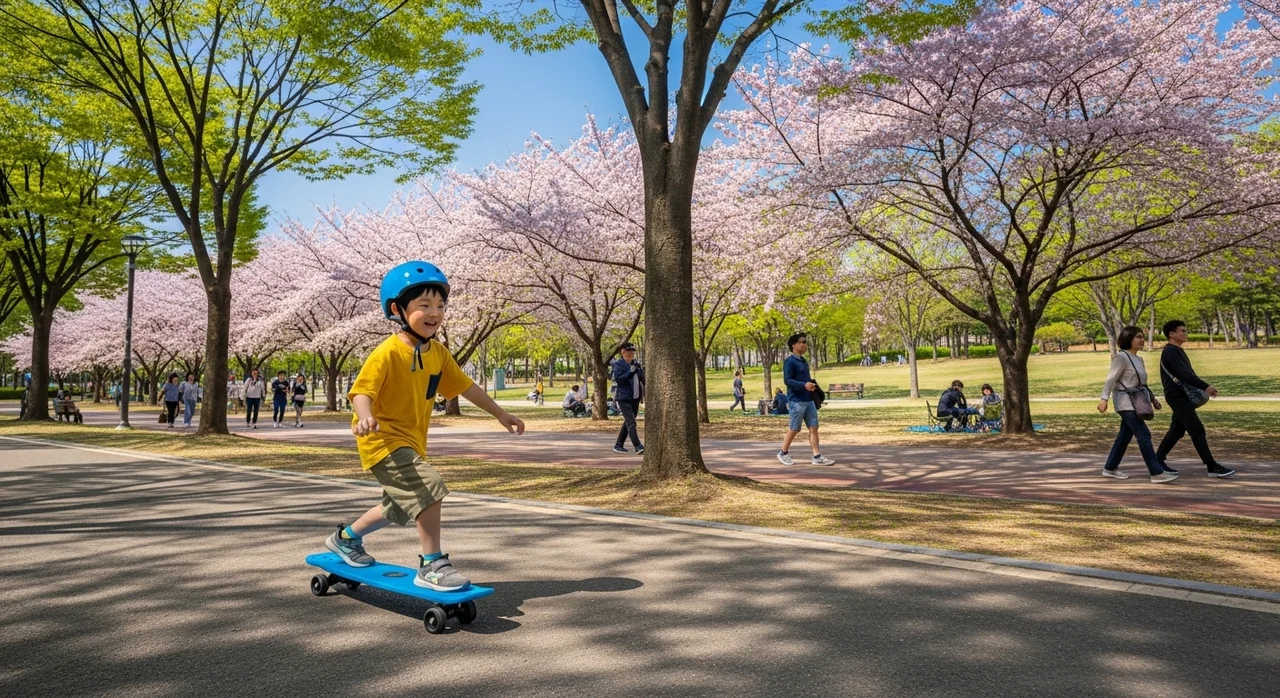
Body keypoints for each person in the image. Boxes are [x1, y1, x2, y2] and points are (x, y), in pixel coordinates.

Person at [323, 260, 524, 592]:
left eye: (440, 305)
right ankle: (432, 565)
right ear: (397, 309)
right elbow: (361, 391)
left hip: (411, 442)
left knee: (398, 505)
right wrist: (366, 415)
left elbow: (465, 387)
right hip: (382, 441)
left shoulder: (438, 353)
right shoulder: (388, 352)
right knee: (429, 488)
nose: (435, 312)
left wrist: (500, 413)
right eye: (424, 305)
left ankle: (344, 539)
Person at [1099, 326, 1177, 483]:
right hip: (1125, 402)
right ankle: (1156, 473)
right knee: (1144, 434)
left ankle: (1110, 468)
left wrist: (1153, 399)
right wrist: (1104, 399)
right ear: (1129, 339)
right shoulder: (1121, 357)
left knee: (1124, 437)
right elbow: (1111, 379)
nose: (1142, 340)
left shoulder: (1139, 359)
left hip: (1138, 400)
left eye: (1142, 337)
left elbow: (1142, 383)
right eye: (1138, 337)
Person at [1156, 320, 1234, 478]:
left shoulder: (1177, 350)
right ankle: (1211, 466)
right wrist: (1205, 386)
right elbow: (1183, 374)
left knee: (1177, 430)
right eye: (1182, 331)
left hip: (1182, 396)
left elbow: (1187, 373)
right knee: (1197, 430)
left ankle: (1157, 460)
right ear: (1171, 334)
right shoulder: (1170, 351)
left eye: (1186, 331)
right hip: (1177, 396)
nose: (1186, 333)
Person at [777, 333, 835, 466]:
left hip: (809, 400)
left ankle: (817, 456)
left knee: (813, 427)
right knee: (794, 428)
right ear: (794, 345)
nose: (804, 344)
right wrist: (803, 385)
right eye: (801, 342)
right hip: (796, 401)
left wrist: (811, 386)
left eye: (805, 342)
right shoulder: (789, 362)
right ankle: (783, 452)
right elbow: (787, 380)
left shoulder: (803, 361)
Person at [611, 342, 645, 454]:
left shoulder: (636, 364)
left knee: (628, 422)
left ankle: (618, 445)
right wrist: (630, 372)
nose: (631, 355)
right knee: (631, 423)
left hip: (635, 397)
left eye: (632, 353)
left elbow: (642, 379)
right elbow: (619, 379)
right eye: (629, 353)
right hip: (623, 397)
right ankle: (638, 446)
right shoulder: (618, 365)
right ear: (623, 352)